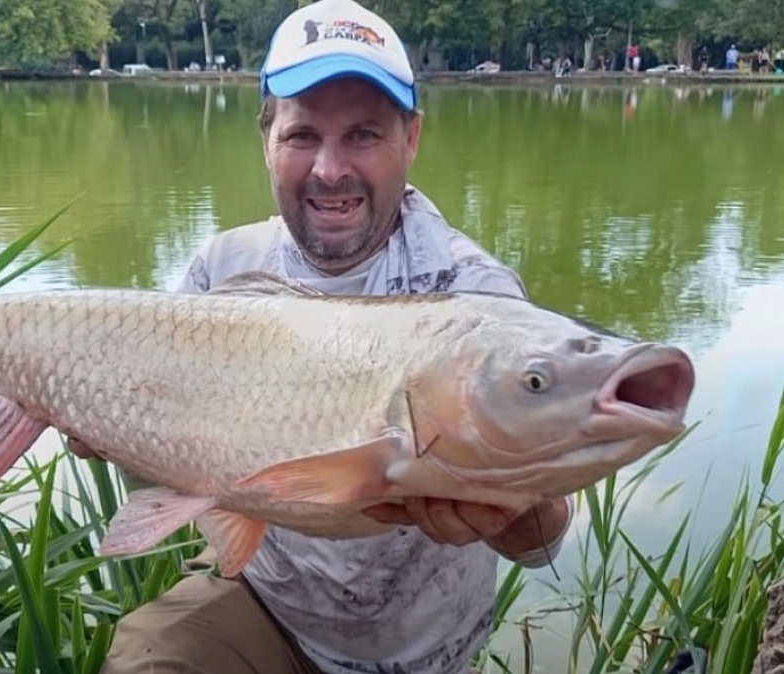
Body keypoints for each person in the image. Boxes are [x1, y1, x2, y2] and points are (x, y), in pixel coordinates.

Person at [100, 0, 573, 672]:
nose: (329, 169)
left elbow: (542, 547)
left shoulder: (473, 301)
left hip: (422, 651)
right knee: (153, 658)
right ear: (266, 139)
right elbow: (168, 468)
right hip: (267, 603)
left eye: (362, 135)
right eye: (301, 136)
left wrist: (514, 508)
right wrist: (111, 425)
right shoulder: (223, 271)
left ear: (410, 139)